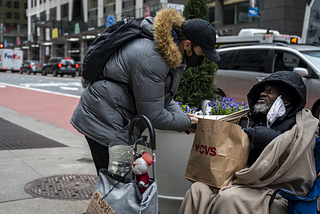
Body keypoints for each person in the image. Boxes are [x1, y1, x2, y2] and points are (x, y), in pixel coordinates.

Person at [70, 8, 220, 175]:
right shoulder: (153, 58)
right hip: (101, 119)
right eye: (202, 52)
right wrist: (186, 123)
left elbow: (164, 98)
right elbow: (153, 115)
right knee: (116, 185)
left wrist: (186, 119)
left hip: (115, 115)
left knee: (121, 183)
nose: (202, 57)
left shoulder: (172, 54)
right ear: (187, 44)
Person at [179, 71, 319, 214]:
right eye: (263, 90)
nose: (263, 93)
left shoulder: (301, 125)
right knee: (198, 189)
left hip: (274, 187)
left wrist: (251, 133)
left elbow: (282, 141)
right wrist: (201, 125)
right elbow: (228, 130)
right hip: (242, 179)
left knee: (230, 197)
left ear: (285, 99)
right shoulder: (253, 118)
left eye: (271, 91)